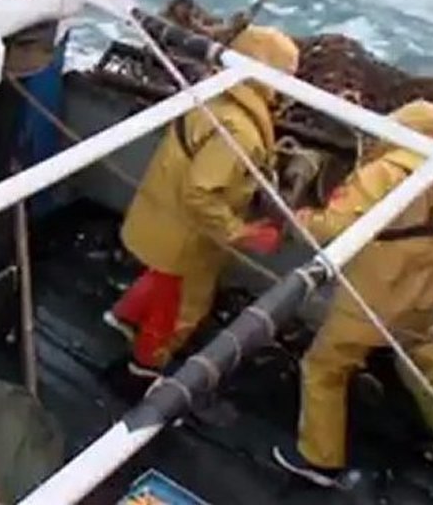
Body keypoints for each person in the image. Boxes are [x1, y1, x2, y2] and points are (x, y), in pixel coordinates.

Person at [272, 99, 433, 487]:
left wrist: (298, 218)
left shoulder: (382, 172)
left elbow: (332, 226)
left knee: (324, 367)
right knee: (422, 356)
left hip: (375, 297)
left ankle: (319, 461)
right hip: (422, 290)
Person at [103, 25, 301, 380]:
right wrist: (241, 232)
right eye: (285, 75)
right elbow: (199, 192)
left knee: (162, 278)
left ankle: (124, 317)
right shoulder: (240, 129)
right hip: (186, 234)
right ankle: (141, 373)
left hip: (164, 216)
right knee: (178, 310)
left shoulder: (216, 94)